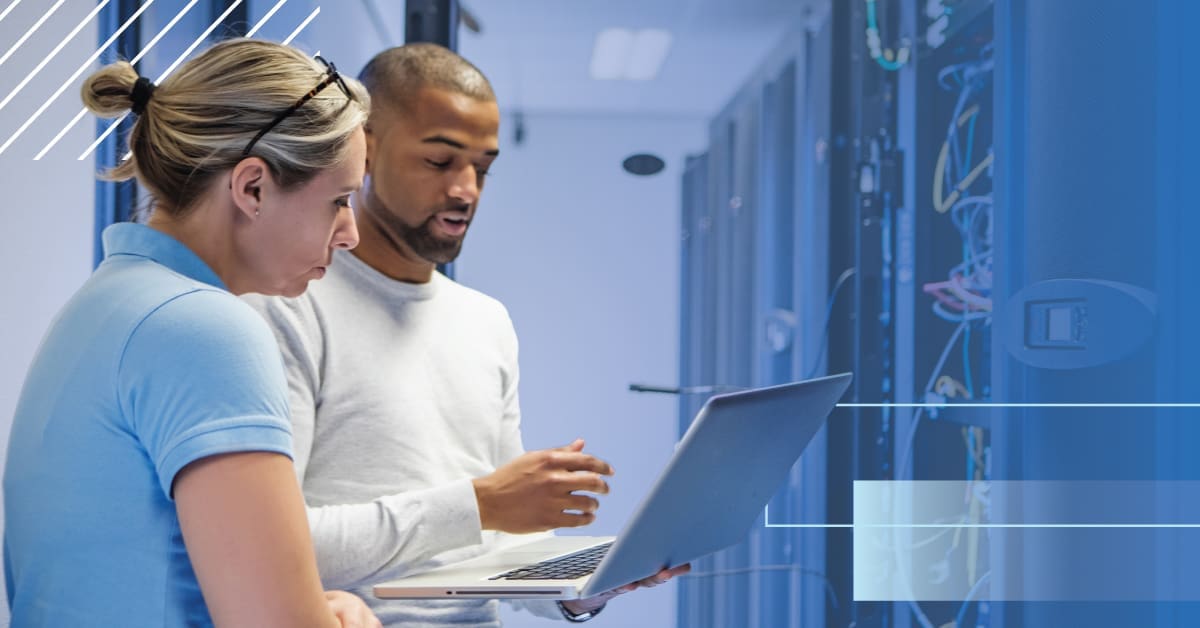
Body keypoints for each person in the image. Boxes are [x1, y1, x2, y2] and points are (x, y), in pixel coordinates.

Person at [243, 43, 687, 627]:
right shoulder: (287, 305)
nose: (467, 189)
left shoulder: (485, 323)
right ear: (364, 150)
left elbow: (498, 546)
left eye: (483, 166)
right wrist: (479, 502)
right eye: (440, 162)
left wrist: (583, 588)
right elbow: (273, 545)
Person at [3, 39, 381, 627]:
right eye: (338, 200)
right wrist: (343, 615)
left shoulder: (104, 305)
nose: (350, 232)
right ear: (252, 187)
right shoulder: (203, 329)